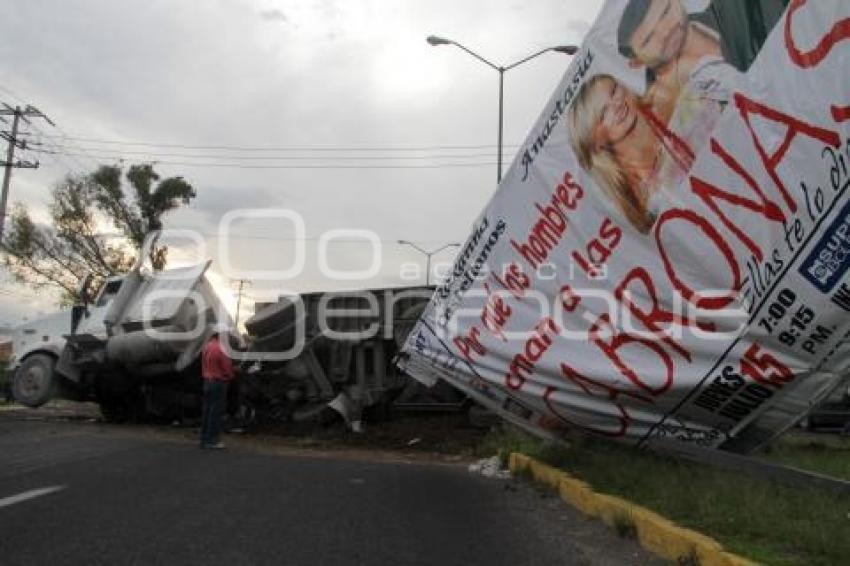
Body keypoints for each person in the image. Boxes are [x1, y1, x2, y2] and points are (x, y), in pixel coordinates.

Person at [567, 74, 696, 234]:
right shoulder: (640, 204)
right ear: (596, 144)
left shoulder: (684, 109)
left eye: (613, 91)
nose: (616, 104)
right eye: (603, 112)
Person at [616, 0, 741, 126]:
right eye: (648, 39)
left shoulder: (731, 12)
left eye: (665, 13)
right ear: (636, 62)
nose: (666, 32)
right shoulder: (662, 113)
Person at [200, 323, 235, 449]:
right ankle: (212, 440)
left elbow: (203, 364)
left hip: (207, 381)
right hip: (218, 383)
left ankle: (204, 439)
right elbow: (227, 369)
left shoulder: (207, 346)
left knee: (207, 411)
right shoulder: (222, 349)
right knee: (216, 413)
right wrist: (231, 375)